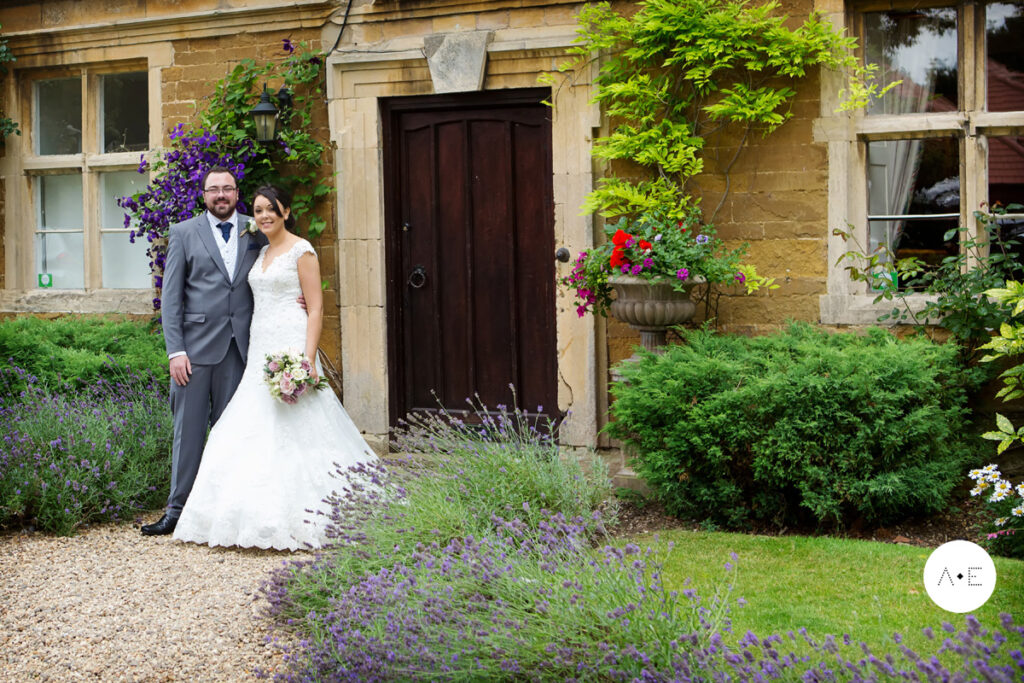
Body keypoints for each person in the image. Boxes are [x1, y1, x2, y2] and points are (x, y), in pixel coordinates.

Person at [172, 185, 376, 550]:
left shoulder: (303, 250)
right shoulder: (260, 249)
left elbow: (315, 308)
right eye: (259, 209)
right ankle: (237, 516)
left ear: (286, 212)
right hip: (259, 349)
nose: (263, 215)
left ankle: (320, 512)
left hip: (291, 343)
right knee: (242, 428)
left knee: (301, 426)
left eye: (271, 209)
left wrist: (307, 359)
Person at [142, 166, 266, 536]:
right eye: (214, 190)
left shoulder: (257, 229)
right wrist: (175, 351)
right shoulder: (183, 232)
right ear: (203, 194)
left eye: (228, 189)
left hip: (239, 348)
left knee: (233, 434)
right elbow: (171, 299)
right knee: (188, 432)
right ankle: (176, 511)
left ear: (237, 191)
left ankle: (225, 513)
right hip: (193, 353)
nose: (221, 195)